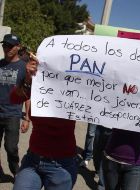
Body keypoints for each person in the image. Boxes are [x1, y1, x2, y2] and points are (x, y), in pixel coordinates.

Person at [10, 53, 78, 190]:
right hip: (33, 158)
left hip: (61, 164)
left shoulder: (75, 85)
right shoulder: (39, 82)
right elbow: (14, 99)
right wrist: (27, 79)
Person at [0, 33, 30, 178]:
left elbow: (27, 95)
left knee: (11, 147)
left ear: (18, 47)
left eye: (10, 46)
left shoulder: (24, 68)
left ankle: (16, 171)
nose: (7, 48)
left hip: (12, 114)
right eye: (4, 45)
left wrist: (27, 118)